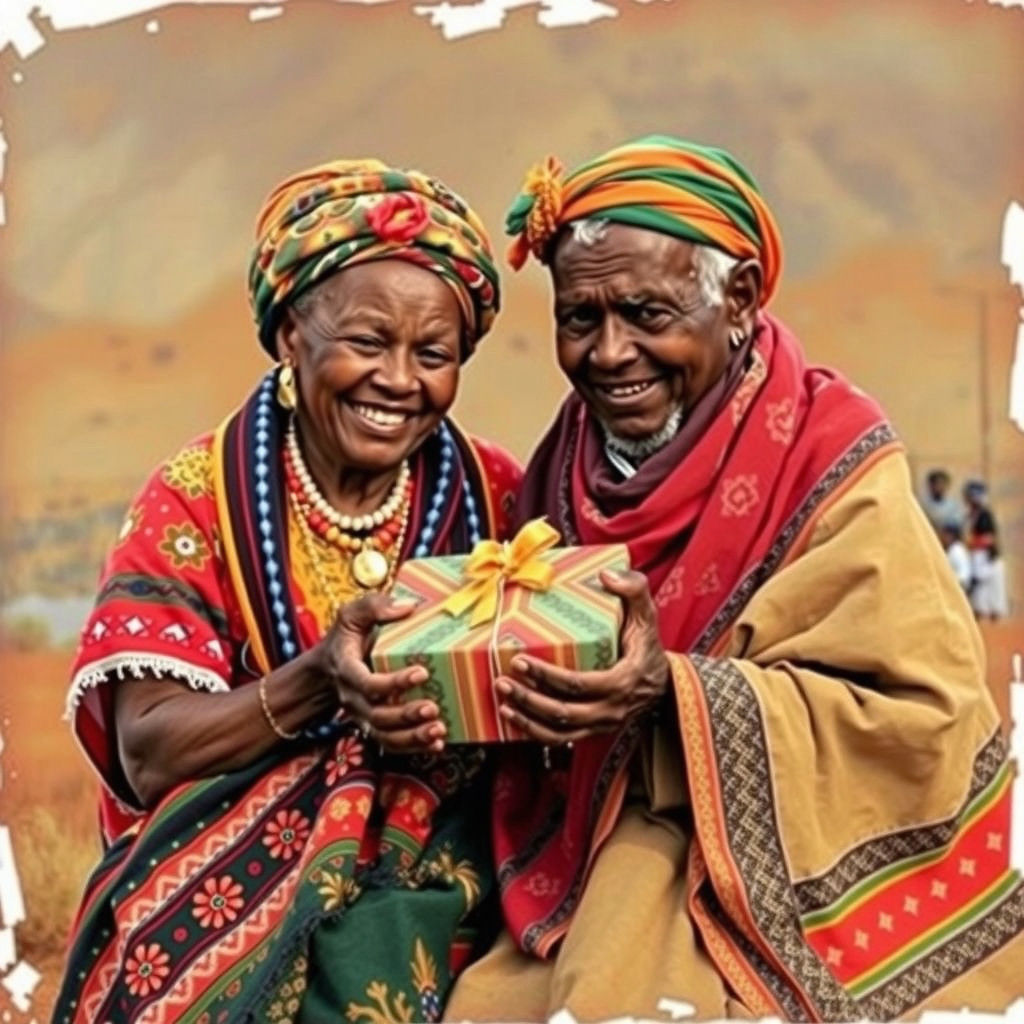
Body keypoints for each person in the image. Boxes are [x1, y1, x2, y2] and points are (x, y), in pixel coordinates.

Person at [445, 136, 1024, 1022]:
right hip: (602, 833)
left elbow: (924, 717)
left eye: (647, 313)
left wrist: (673, 694)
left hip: (797, 846)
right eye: (579, 319)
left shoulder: (833, 456)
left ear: (741, 298)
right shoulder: (559, 467)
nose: (610, 353)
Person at [53, 159, 522, 1024]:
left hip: (448, 841)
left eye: (433, 354)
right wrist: (318, 681)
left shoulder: (496, 495)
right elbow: (147, 753)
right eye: (367, 342)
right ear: (290, 335)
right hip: (235, 849)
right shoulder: (196, 497)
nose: (400, 380)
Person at [963, 479, 1010, 620]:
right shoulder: (971, 515)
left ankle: (994, 614)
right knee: (978, 587)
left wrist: (974, 543)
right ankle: (980, 612)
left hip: (986, 556)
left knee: (992, 585)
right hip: (976, 555)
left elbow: (989, 537)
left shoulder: (985, 515)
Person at [920, 467, 963, 533]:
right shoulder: (923, 505)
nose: (939, 487)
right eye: (936, 484)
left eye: (942, 484)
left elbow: (956, 524)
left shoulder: (952, 506)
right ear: (930, 485)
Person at [939, 520, 972, 593]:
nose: (943, 537)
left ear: (952, 535)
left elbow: (963, 576)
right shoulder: (952, 549)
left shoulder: (957, 550)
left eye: (946, 534)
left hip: (959, 589)